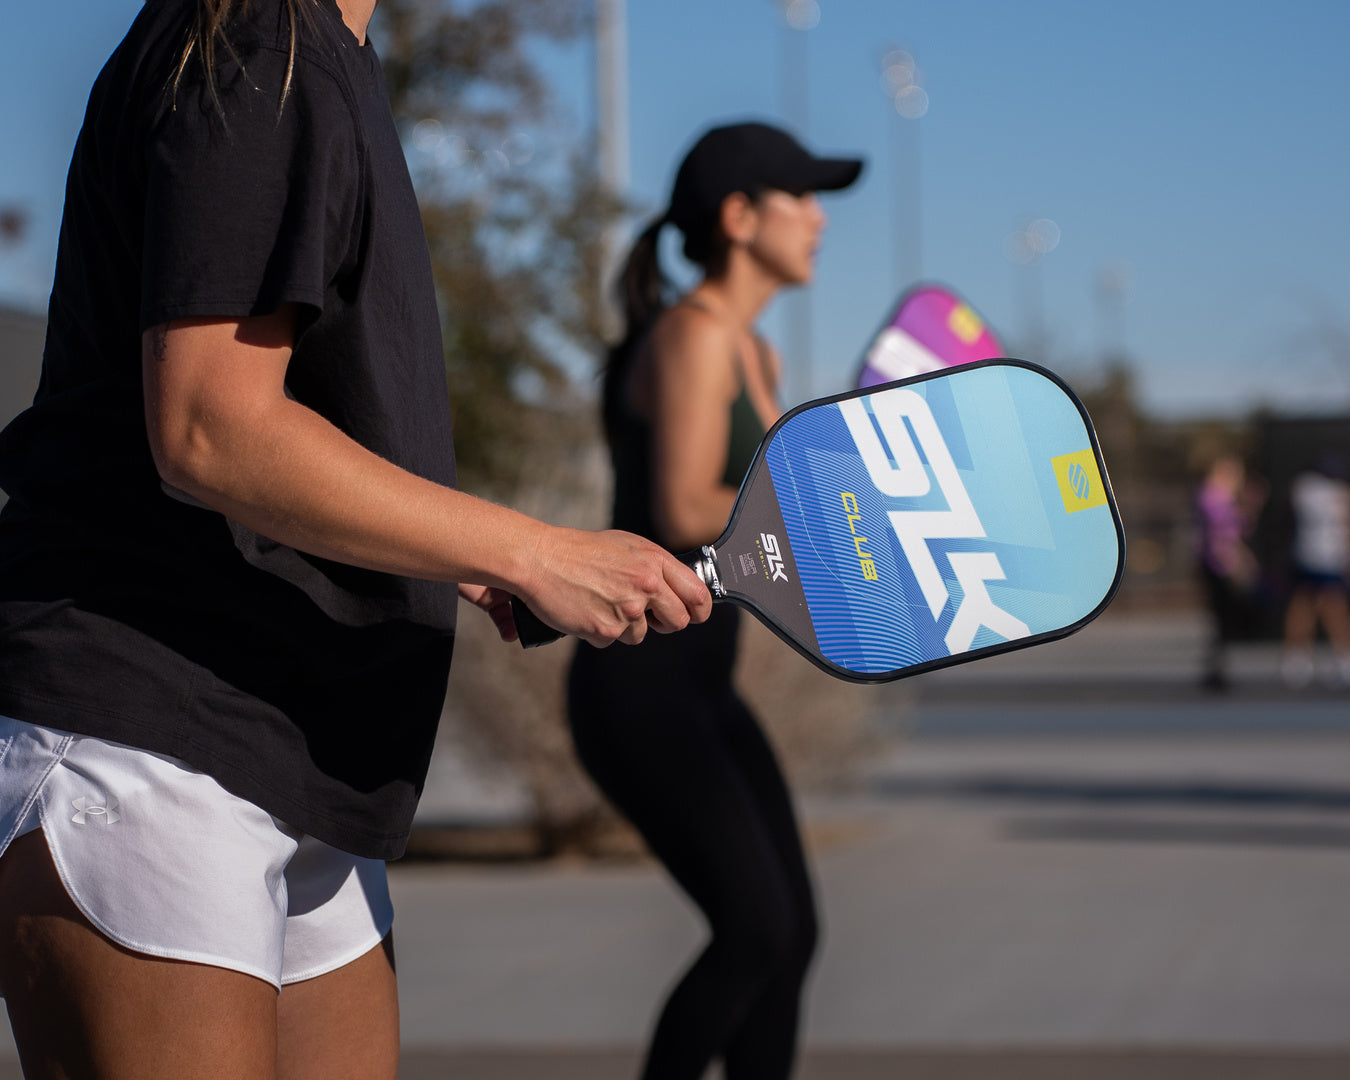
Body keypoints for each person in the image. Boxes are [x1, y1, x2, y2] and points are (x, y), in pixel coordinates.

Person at [0, 1, 710, 1077]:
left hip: (304, 748)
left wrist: (459, 554)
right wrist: (525, 549)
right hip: (155, 738)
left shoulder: (321, 58)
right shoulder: (254, 46)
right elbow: (209, 423)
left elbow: (303, 421)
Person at [566, 122, 863, 1079]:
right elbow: (685, 505)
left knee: (793, 935)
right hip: (636, 687)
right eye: (802, 198)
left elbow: (784, 503)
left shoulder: (756, 355)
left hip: (701, 683)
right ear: (739, 217)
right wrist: (823, 514)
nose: (821, 219)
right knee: (755, 933)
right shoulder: (692, 336)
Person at [1280, 453, 1350, 688]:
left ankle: (1298, 660)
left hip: (1308, 557)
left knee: (1307, 605)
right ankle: (1339, 659)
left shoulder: (1302, 489)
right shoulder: (1332, 493)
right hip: (1325, 558)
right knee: (1329, 606)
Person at [1194, 453, 1262, 690]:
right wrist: (1234, 565)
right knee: (1222, 617)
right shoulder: (1212, 496)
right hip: (1217, 565)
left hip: (1222, 563)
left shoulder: (1222, 498)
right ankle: (1216, 671)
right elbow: (1221, 535)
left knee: (1224, 620)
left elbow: (1238, 530)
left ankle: (1218, 668)